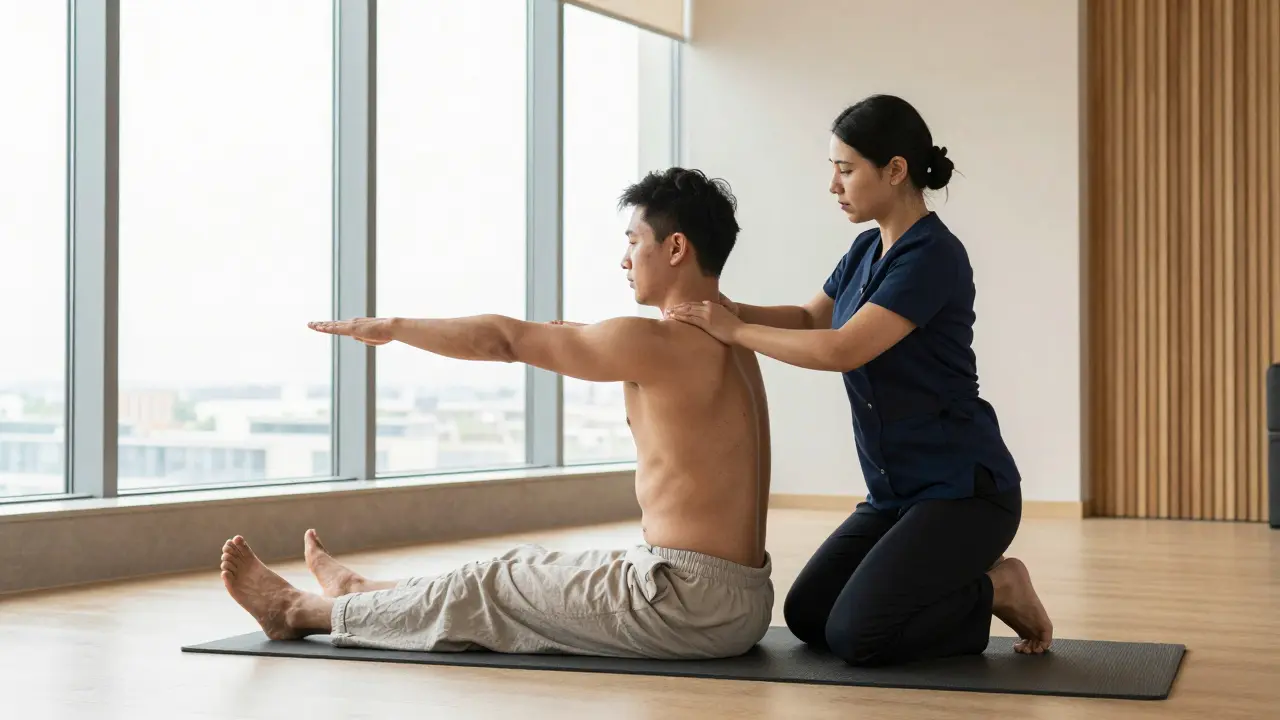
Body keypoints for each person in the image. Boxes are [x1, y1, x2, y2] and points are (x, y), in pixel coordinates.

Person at [218, 167, 775, 660]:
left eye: (634, 241)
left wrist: (393, 328)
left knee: (489, 589)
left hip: (686, 604)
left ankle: (296, 611)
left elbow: (503, 340)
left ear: (675, 248)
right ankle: (361, 591)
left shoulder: (657, 341)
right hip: (731, 595)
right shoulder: (731, 335)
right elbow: (586, 340)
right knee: (525, 562)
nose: (625, 259)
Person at [666, 94, 1053, 667]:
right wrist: (725, 308)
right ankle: (960, 588)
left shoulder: (933, 256)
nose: (833, 186)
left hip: (964, 494)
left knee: (858, 636)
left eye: (845, 170)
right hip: (894, 495)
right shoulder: (866, 248)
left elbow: (843, 348)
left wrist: (735, 332)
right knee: (810, 615)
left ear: (895, 170)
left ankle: (998, 588)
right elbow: (806, 319)